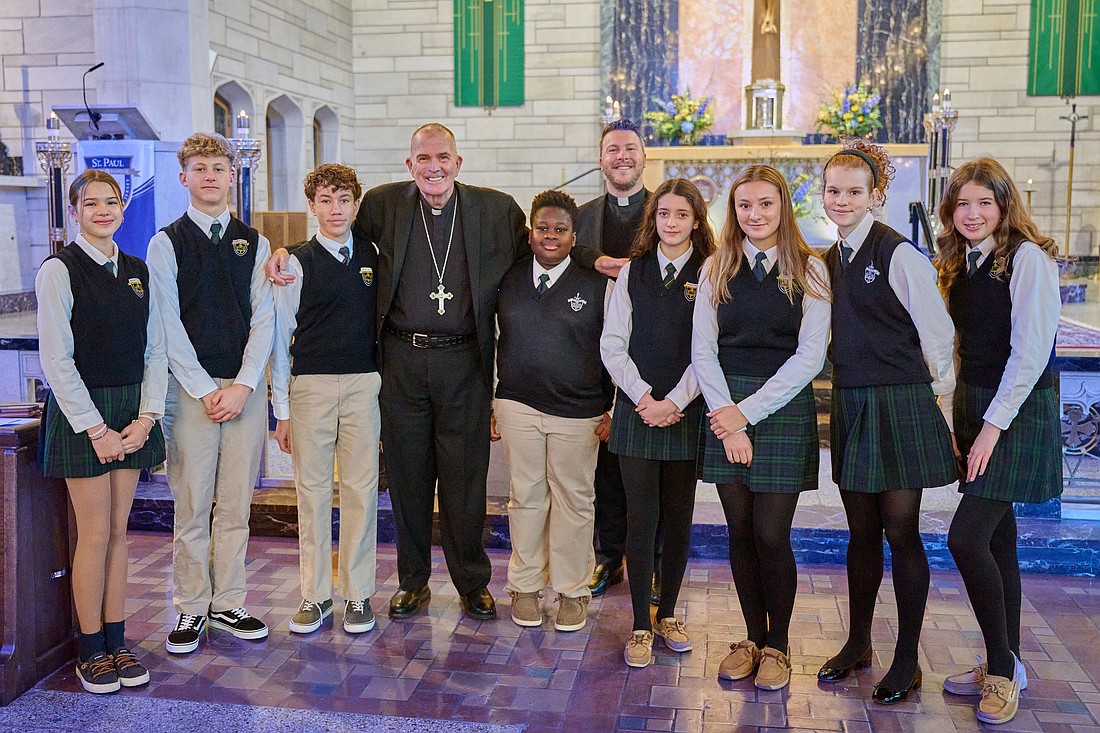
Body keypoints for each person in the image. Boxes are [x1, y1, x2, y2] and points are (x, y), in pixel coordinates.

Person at [267, 123, 527, 621]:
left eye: (443, 157)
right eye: (424, 158)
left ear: (458, 161)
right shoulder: (384, 205)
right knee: (407, 475)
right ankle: (413, 582)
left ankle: (472, 582)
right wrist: (286, 251)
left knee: (464, 478)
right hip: (402, 361)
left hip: (465, 361)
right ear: (410, 165)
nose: (434, 166)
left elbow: (539, 252)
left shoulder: (496, 210)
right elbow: (332, 238)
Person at [814, 140, 957, 704]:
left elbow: (938, 334)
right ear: (822, 195)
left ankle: (906, 657)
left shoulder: (898, 254)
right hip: (853, 401)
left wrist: (931, 395)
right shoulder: (827, 259)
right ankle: (858, 644)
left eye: (854, 191)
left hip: (898, 403)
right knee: (861, 533)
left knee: (901, 530)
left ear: (877, 194)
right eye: (834, 191)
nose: (843, 200)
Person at [693, 165, 830, 689]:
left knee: (772, 535)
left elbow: (810, 356)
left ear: (782, 208)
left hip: (779, 408)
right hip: (724, 407)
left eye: (765, 205)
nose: (755, 215)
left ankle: (780, 645)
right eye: (745, 206)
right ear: (734, 212)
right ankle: (753, 638)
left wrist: (745, 414)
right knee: (740, 533)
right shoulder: (715, 268)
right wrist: (728, 419)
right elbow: (702, 350)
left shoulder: (810, 270)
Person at [935, 157, 1060, 725]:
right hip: (978, 401)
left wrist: (990, 427)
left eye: (984, 202)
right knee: (998, 540)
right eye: (963, 203)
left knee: (966, 539)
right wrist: (961, 415)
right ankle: (1006, 663)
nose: (972, 213)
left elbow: (1031, 352)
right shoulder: (962, 261)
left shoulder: (1028, 260)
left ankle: (1003, 672)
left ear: (1005, 206)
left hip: (1014, 408)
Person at [36, 169, 166, 693]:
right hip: (82, 412)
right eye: (90, 204)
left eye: (111, 202)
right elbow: (56, 360)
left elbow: (155, 348)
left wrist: (147, 417)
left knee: (119, 534)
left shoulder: (136, 270)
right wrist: (96, 430)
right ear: (74, 211)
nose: (103, 211)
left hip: (131, 409)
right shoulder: (59, 271)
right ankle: (90, 649)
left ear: (123, 207)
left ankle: (117, 640)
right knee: (93, 534)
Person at [147, 132, 275, 654]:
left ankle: (228, 603)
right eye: (199, 169)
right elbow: (166, 324)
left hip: (242, 392)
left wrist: (245, 385)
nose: (210, 177)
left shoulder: (256, 242)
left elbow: (263, 318)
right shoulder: (166, 242)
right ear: (184, 177)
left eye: (219, 168)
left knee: (236, 507)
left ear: (231, 175)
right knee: (194, 504)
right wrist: (204, 389)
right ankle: (191, 608)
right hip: (190, 391)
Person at [601, 178, 714, 668]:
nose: (672, 223)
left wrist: (677, 402)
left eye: (682, 215)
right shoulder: (633, 273)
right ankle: (641, 626)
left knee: (678, 518)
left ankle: (667, 613)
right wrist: (646, 398)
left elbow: (708, 350)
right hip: (636, 411)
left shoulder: (711, 272)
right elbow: (612, 344)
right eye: (664, 214)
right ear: (654, 220)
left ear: (696, 221)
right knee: (641, 518)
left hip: (686, 412)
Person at [492, 190, 611, 633]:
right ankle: (524, 587)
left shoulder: (596, 282)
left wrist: (612, 406)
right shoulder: (508, 277)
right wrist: (493, 399)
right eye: (542, 228)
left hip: (578, 411)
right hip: (518, 404)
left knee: (574, 501)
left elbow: (616, 346)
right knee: (525, 496)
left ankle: (572, 591)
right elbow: (491, 337)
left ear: (574, 235)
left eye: (560, 229)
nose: (550, 236)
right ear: (530, 232)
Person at [270, 164, 381, 636]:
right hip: (310, 386)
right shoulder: (294, 263)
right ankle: (314, 597)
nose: (335, 210)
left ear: (356, 206)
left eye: (344, 201)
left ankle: (357, 594)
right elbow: (279, 338)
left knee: (361, 490)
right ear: (312, 206)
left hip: (363, 383)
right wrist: (282, 412)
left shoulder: (376, 256)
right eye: (326, 201)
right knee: (312, 493)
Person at [573, 119, 661, 602]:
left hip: (653, 362)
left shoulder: (668, 210)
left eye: (630, 149)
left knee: (650, 472)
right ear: (601, 159)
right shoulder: (581, 218)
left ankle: (655, 563)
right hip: (593, 357)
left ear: (643, 157)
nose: (621, 157)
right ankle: (609, 558)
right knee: (606, 468)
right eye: (612, 149)